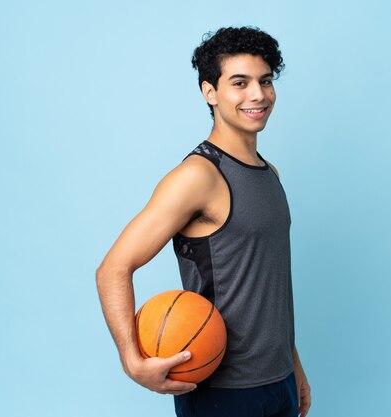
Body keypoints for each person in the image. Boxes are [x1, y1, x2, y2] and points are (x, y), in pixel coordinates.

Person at [96, 26, 311, 417]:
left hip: (278, 382)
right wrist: (132, 360)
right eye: (240, 83)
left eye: (265, 81)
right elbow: (113, 268)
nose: (257, 95)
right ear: (210, 92)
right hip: (221, 391)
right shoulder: (198, 177)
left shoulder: (270, 174)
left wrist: (292, 366)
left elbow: (269, 286)